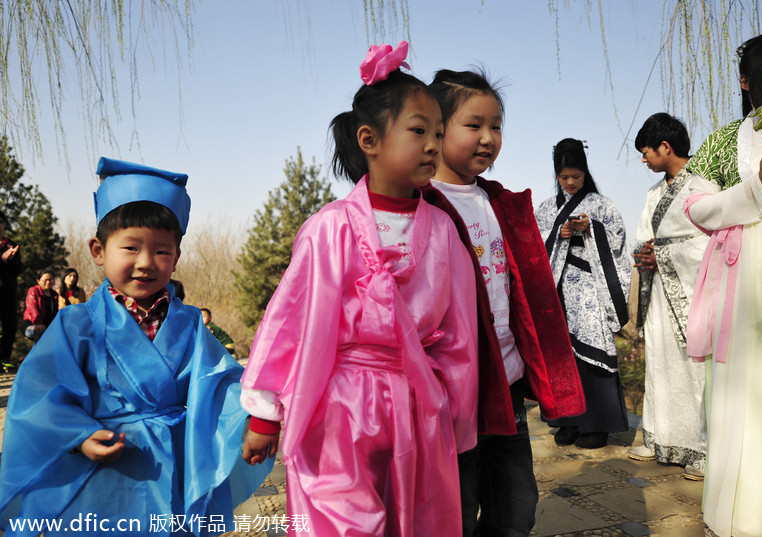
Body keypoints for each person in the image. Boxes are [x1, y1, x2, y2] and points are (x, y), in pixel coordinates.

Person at [239, 42, 478, 536]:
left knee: (416, 518)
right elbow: (291, 322)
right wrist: (266, 414)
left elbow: (459, 336)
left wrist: (454, 413)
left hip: (418, 402)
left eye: (438, 133)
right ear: (369, 139)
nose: (433, 145)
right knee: (342, 519)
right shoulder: (330, 227)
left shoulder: (444, 231)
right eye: (418, 131)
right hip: (340, 402)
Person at [0, 157, 267, 536]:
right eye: (130, 247)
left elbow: (221, 384)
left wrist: (258, 413)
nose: (146, 262)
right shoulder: (75, 324)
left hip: (172, 463)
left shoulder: (190, 323)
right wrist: (78, 435)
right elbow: (40, 394)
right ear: (98, 250)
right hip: (103, 470)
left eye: (161, 250)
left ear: (176, 257)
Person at [420, 69, 585, 536]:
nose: (488, 138)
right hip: (451, 392)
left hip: (506, 383)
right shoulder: (420, 205)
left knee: (516, 508)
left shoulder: (502, 204)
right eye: (473, 125)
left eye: (496, 127)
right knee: (455, 506)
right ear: (437, 128)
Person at [683, 32, 762, 537]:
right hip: (742, 277)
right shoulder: (723, 139)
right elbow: (696, 207)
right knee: (743, 390)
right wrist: (760, 187)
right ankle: (743, 516)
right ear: (747, 79)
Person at [626, 113, 709, 481]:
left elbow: (709, 244)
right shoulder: (653, 194)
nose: (644, 159)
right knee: (660, 363)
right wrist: (645, 254)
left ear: (665, 146)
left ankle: (703, 447)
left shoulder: (703, 189)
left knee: (695, 371)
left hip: (692, 292)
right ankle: (660, 438)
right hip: (659, 291)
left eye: (646, 151)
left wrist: (663, 255)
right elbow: (645, 236)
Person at [536, 138, 631, 449]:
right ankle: (568, 421)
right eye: (565, 177)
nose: (571, 182)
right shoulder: (548, 207)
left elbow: (616, 242)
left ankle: (597, 424)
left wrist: (593, 229)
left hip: (591, 287)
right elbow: (536, 245)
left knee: (591, 352)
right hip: (559, 288)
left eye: (576, 176)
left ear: (585, 172)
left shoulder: (602, 206)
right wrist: (558, 234)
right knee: (562, 356)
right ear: (556, 175)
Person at [0, 211, 22, 372]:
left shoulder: (10, 245)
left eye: (1, 222)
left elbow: (18, 269)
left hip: (7, 291)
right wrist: (2, 259)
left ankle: (4, 357)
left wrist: (12, 259)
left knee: (10, 325)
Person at [22, 270, 58, 342]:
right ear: (38, 281)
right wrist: (39, 324)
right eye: (45, 280)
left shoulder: (54, 295)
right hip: (32, 322)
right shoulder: (33, 291)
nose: (48, 282)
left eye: (50, 280)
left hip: (47, 325)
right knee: (38, 334)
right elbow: (32, 308)